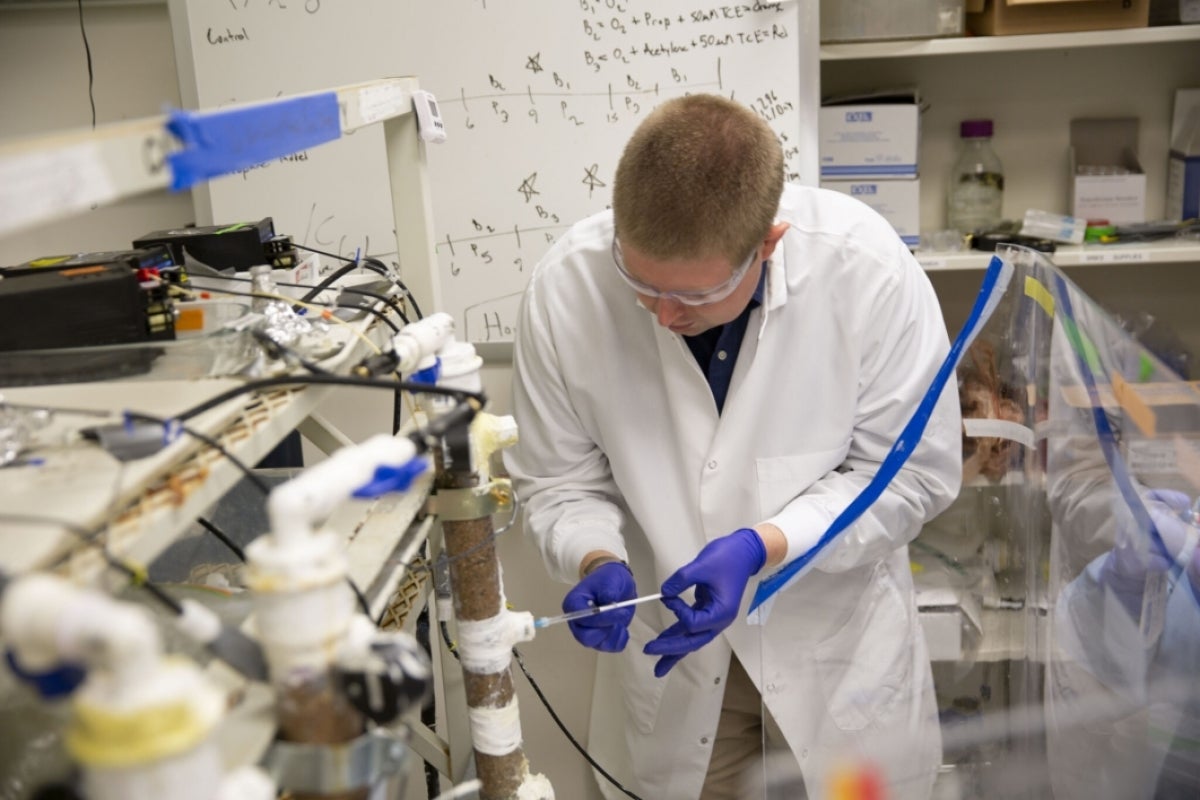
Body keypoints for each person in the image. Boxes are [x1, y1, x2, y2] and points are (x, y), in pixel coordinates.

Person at [505, 94, 962, 800]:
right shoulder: (566, 290)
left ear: (768, 244)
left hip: (833, 653)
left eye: (694, 295)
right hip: (679, 661)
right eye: (639, 282)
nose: (662, 314)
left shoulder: (867, 271)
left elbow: (908, 477)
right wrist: (592, 554)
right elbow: (558, 482)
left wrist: (763, 545)